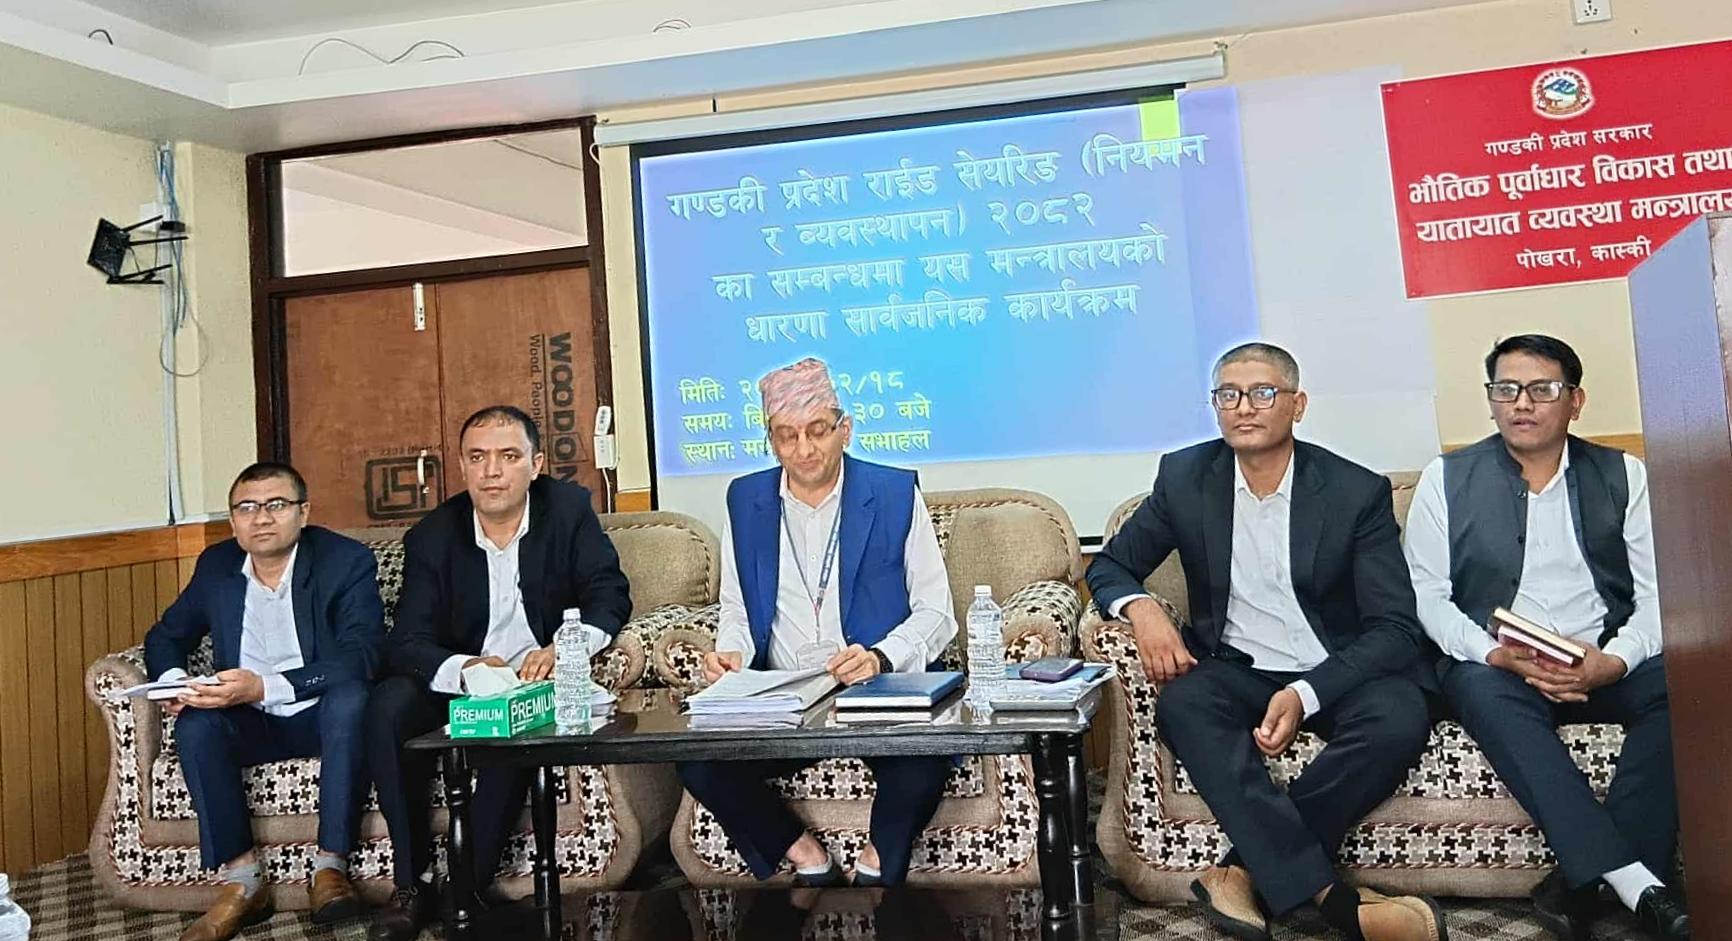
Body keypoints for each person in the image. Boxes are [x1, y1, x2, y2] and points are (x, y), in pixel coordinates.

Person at [1086, 342, 1444, 941]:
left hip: (1334, 670)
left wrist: (1305, 694)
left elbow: (1395, 628)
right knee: (1183, 704)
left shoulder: (1354, 491)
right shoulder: (1186, 478)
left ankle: (1238, 872)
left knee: (1400, 714)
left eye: (1262, 393)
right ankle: (1333, 900)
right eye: (1228, 395)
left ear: (1297, 405)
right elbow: (1109, 566)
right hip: (1238, 668)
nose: (1244, 407)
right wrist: (1142, 609)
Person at [1404, 335, 1687, 940]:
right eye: (1506, 389)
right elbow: (1427, 596)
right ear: (1491, 400)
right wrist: (1495, 654)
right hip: (1500, 667)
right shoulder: (1444, 478)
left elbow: (1658, 595)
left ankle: (1582, 883)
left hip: (1599, 658)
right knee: (1476, 688)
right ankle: (1639, 884)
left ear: (1575, 401)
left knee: (1684, 685)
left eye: (1542, 389)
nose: (1522, 403)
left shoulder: (1623, 475)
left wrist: (1614, 661)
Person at [676, 357, 958, 887]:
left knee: (926, 760)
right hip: (783, 700)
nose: (804, 449)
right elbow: (736, 608)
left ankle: (876, 866)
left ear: (844, 429)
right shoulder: (746, 500)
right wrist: (732, 653)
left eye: (817, 431)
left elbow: (937, 611)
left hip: (875, 694)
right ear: (771, 441)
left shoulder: (894, 493)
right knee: (696, 762)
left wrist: (881, 657)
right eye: (787, 436)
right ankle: (806, 855)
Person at [365, 405, 632, 941]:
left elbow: (609, 596)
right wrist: (465, 668)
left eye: (508, 456)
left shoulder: (567, 511)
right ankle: (411, 885)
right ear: (463, 467)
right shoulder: (433, 536)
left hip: (534, 681)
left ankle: (463, 887)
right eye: (478, 457)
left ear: (536, 464)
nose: (492, 471)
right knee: (388, 706)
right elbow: (407, 640)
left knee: (512, 726)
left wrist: (565, 646)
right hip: (462, 680)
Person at [144, 462, 383, 941]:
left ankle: (330, 867)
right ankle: (243, 880)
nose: (261, 518)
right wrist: (176, 683)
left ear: (303, 512)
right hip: (249, 719)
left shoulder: (344, 561)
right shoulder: (216, 566)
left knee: (352, 700)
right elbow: (166, 636)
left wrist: (263, 686)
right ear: (233, 520)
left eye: (276, 505)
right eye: (247, 508)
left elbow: (362, 655)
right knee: (196, 724)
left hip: (319, 712)